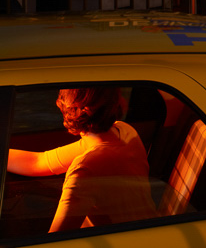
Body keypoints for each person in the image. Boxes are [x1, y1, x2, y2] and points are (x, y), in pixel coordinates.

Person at [6, 86, 158, 232]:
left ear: (66, 110)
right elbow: (39, 162)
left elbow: (58, 240)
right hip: (152, 230)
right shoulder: (124, 131)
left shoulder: (84, 171)